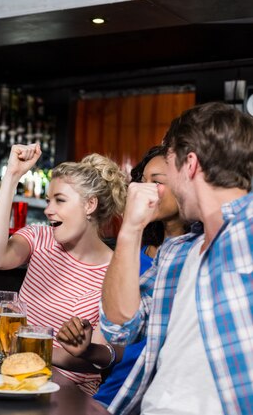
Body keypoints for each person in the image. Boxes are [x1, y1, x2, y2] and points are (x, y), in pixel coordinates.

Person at [100, 102, 253, 415]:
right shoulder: (178, 254)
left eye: (169, 167)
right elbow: (119, 327)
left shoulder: (246, 228)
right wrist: (130, 230)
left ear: (191, 164)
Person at [0, 143, 127, 394]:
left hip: (69, 393)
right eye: (48, 200)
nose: (48, 210)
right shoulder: (40, 238)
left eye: (59, 200)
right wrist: (12, 176)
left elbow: (93, 359)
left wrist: (29, 347)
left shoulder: (114, 271)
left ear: (89, 205)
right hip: (14, 378)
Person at [56, 145, 188, 407]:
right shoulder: (131, 257)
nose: (143, 190)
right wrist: (88, 348)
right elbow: (118, 349)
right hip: (116, 395)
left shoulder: (197, 256)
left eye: (157, 182)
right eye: (143, 181)